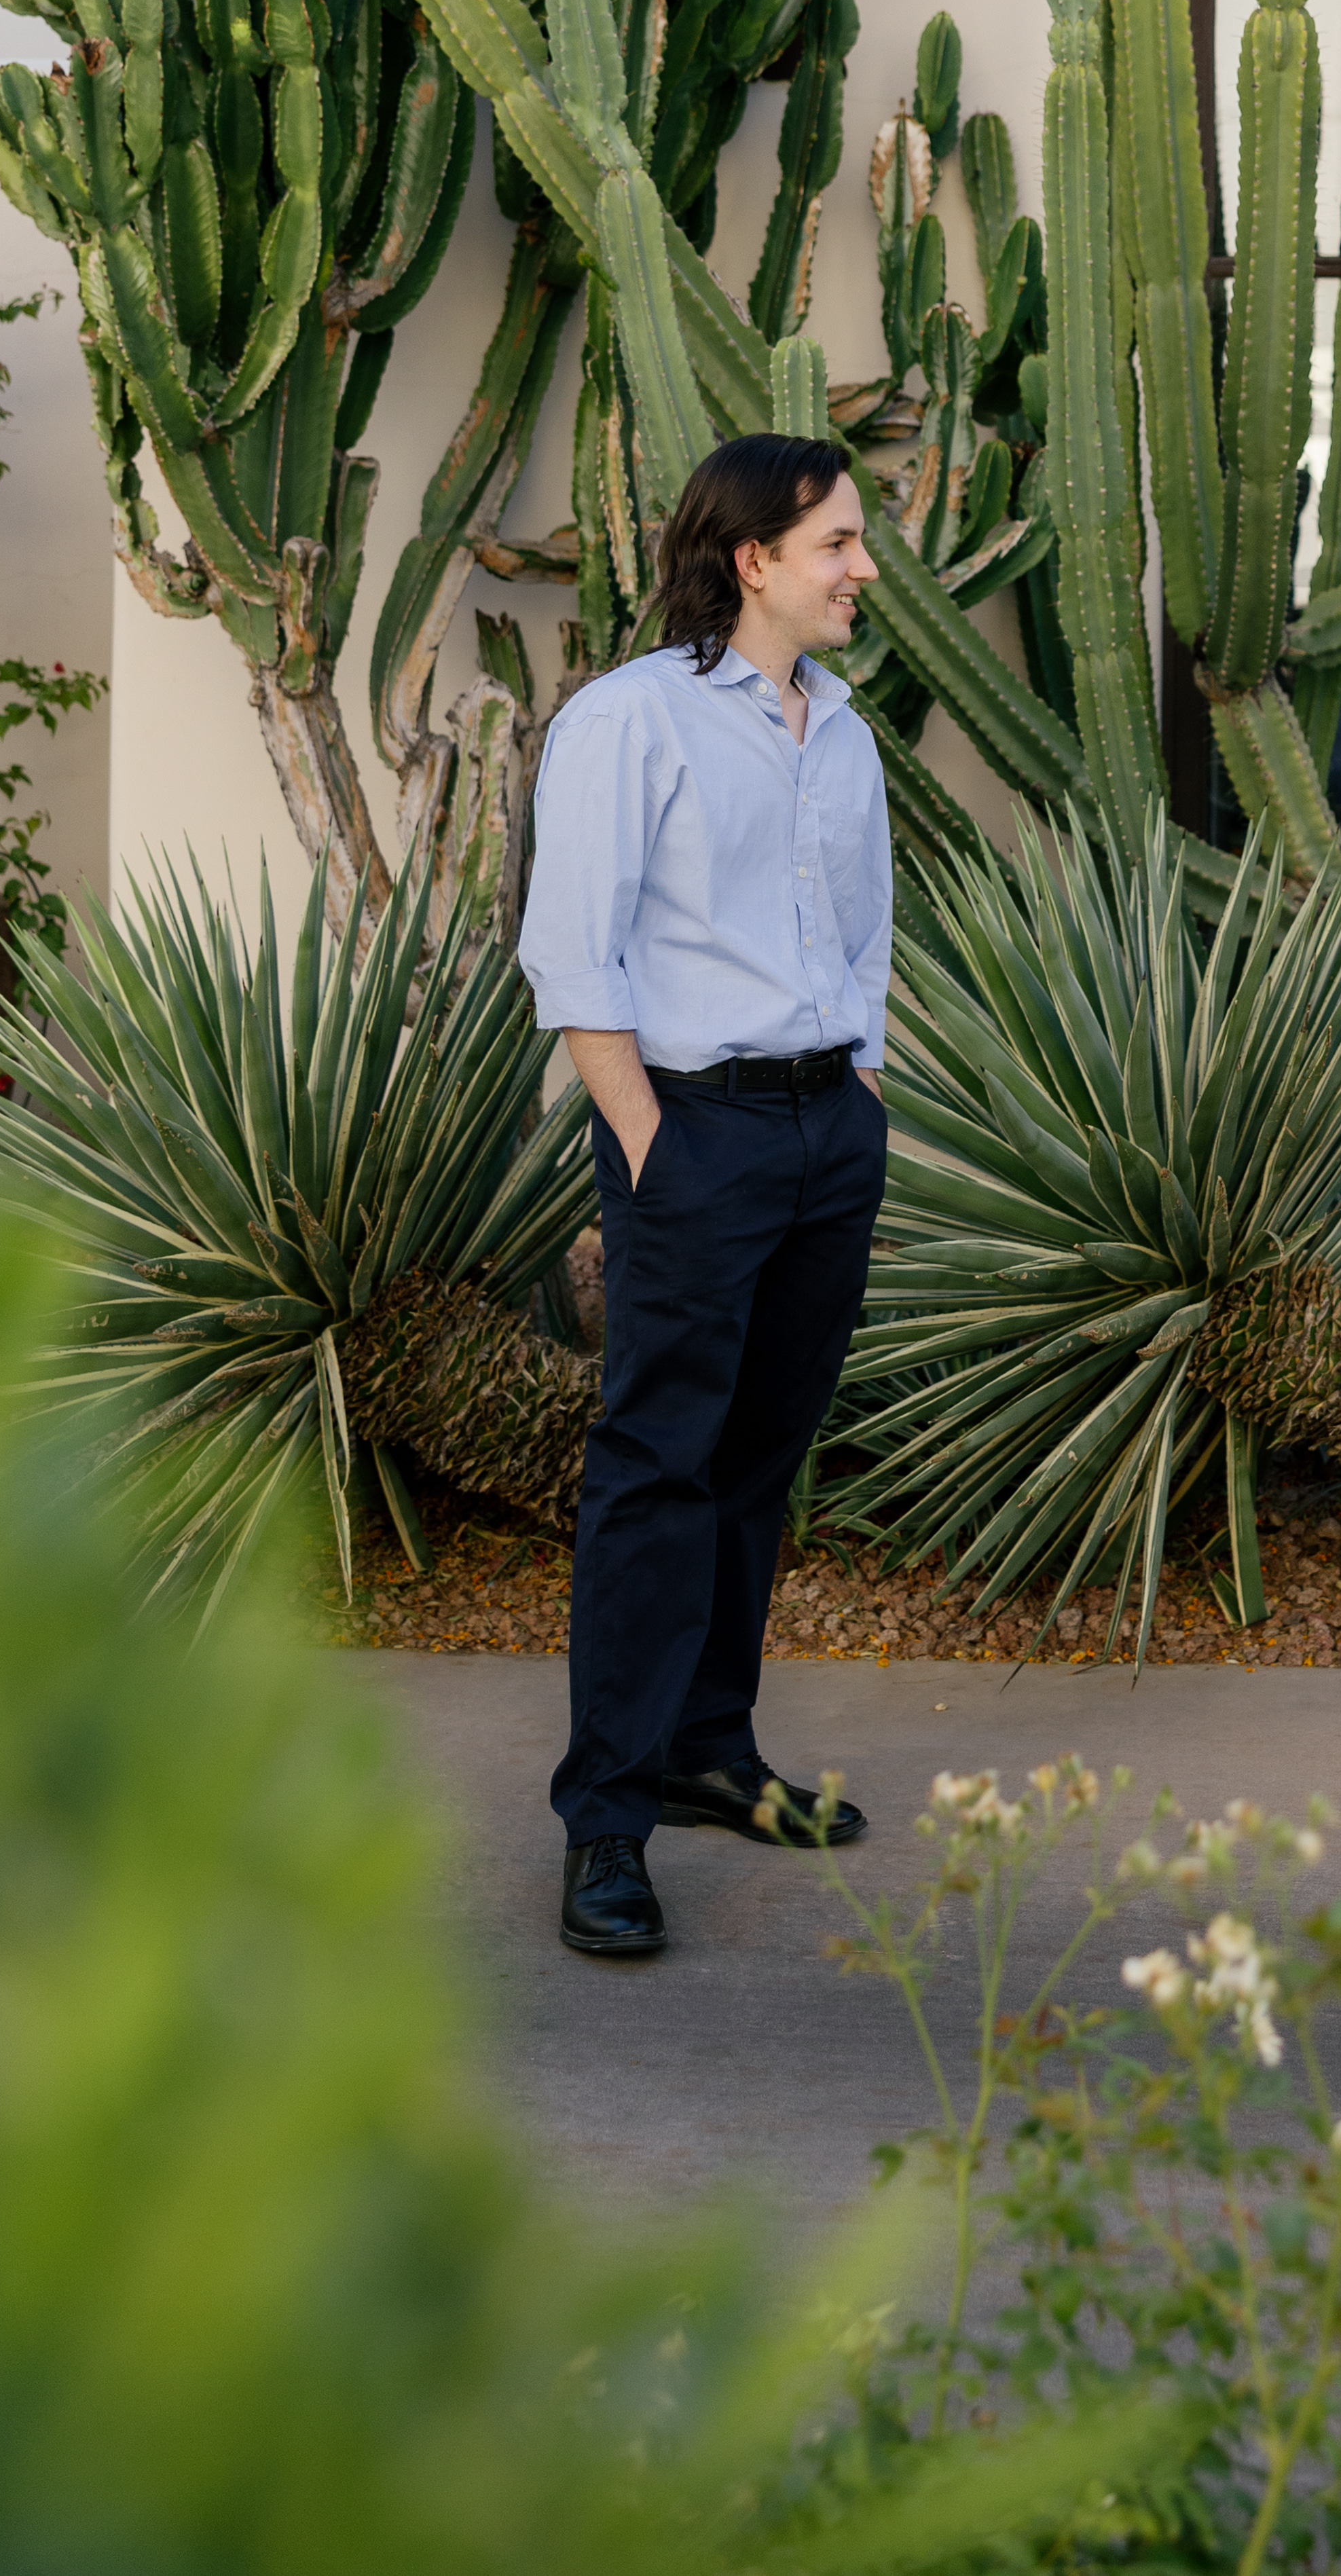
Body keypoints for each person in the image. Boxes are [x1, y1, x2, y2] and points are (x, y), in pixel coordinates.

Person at [518, 433, 892, 1959]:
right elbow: (572, 950)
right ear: (756, 560)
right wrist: (649, 1139)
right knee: (656, 1466)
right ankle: (606, 1815)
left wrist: (862, 1087)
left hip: (823, 1138)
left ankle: (709, 1748)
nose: (865, 569)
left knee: (758, 1456)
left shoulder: (848, 730)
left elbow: (860, 935)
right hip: (695, 1131)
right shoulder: (632, 721)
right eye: (840, 545)